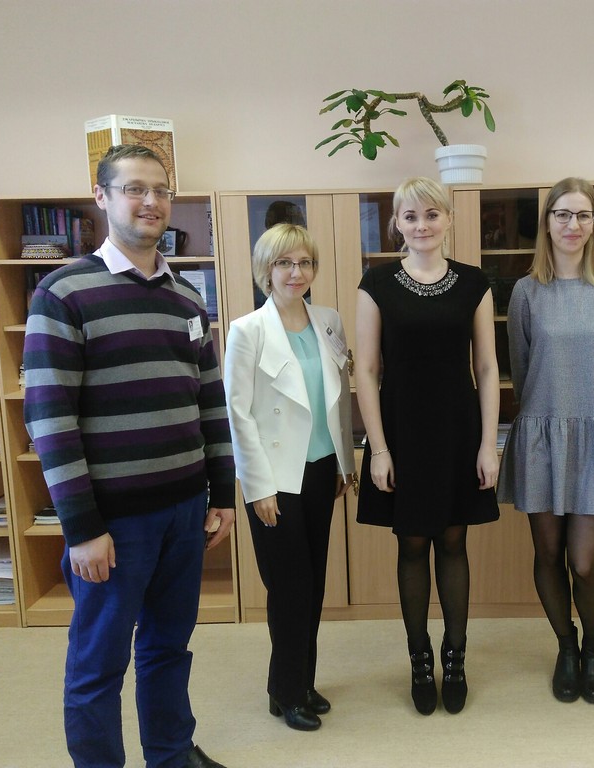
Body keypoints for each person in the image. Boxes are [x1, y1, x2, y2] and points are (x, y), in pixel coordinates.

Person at [23, 144, 235, 768]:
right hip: (113, 523)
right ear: (102, 197)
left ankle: (170, 754)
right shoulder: (64, 293)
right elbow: (50, 419)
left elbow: (210, 402)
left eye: (161, 190)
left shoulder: (186, 298)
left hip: (184, 512)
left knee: (169, 646)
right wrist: (82, 529)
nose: (151, 201)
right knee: (99, 662)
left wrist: (222, 494)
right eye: (134, 189)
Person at [355, 176, 500, 715]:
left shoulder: (474, 281)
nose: (422, 225)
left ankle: (455, 657)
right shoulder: (376, 282)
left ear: (449, 219)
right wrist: (378, 449)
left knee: (455, 541)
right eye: (411, 216)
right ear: (397, 223)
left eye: (432, 214)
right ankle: (419, 659)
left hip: (458, 429)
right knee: (412, 543)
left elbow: (487, 367)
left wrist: (488, 444)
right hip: (402, 431)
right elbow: (367, 371)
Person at [498, 177, 594, 705]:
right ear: (547, 223)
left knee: (585, 563)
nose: (572, 225)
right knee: (548, 554)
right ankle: (566, 647)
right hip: (541, 435)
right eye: (562, 214)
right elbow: (520, 367)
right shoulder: (527, 291)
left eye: (582, 215)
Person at [224, 224, 355, 732]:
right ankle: (286, 691)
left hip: (321, 471)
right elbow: (239, 414)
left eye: (304, 263)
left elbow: (338, 398)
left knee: (313, 584)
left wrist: (345, 463)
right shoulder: (248, 330)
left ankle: (301, 682)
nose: (295, 272)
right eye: (284, 263)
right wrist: (257, 487)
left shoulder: (328, 320)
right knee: (288, 588)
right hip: (275, 480)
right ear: (267, 270)